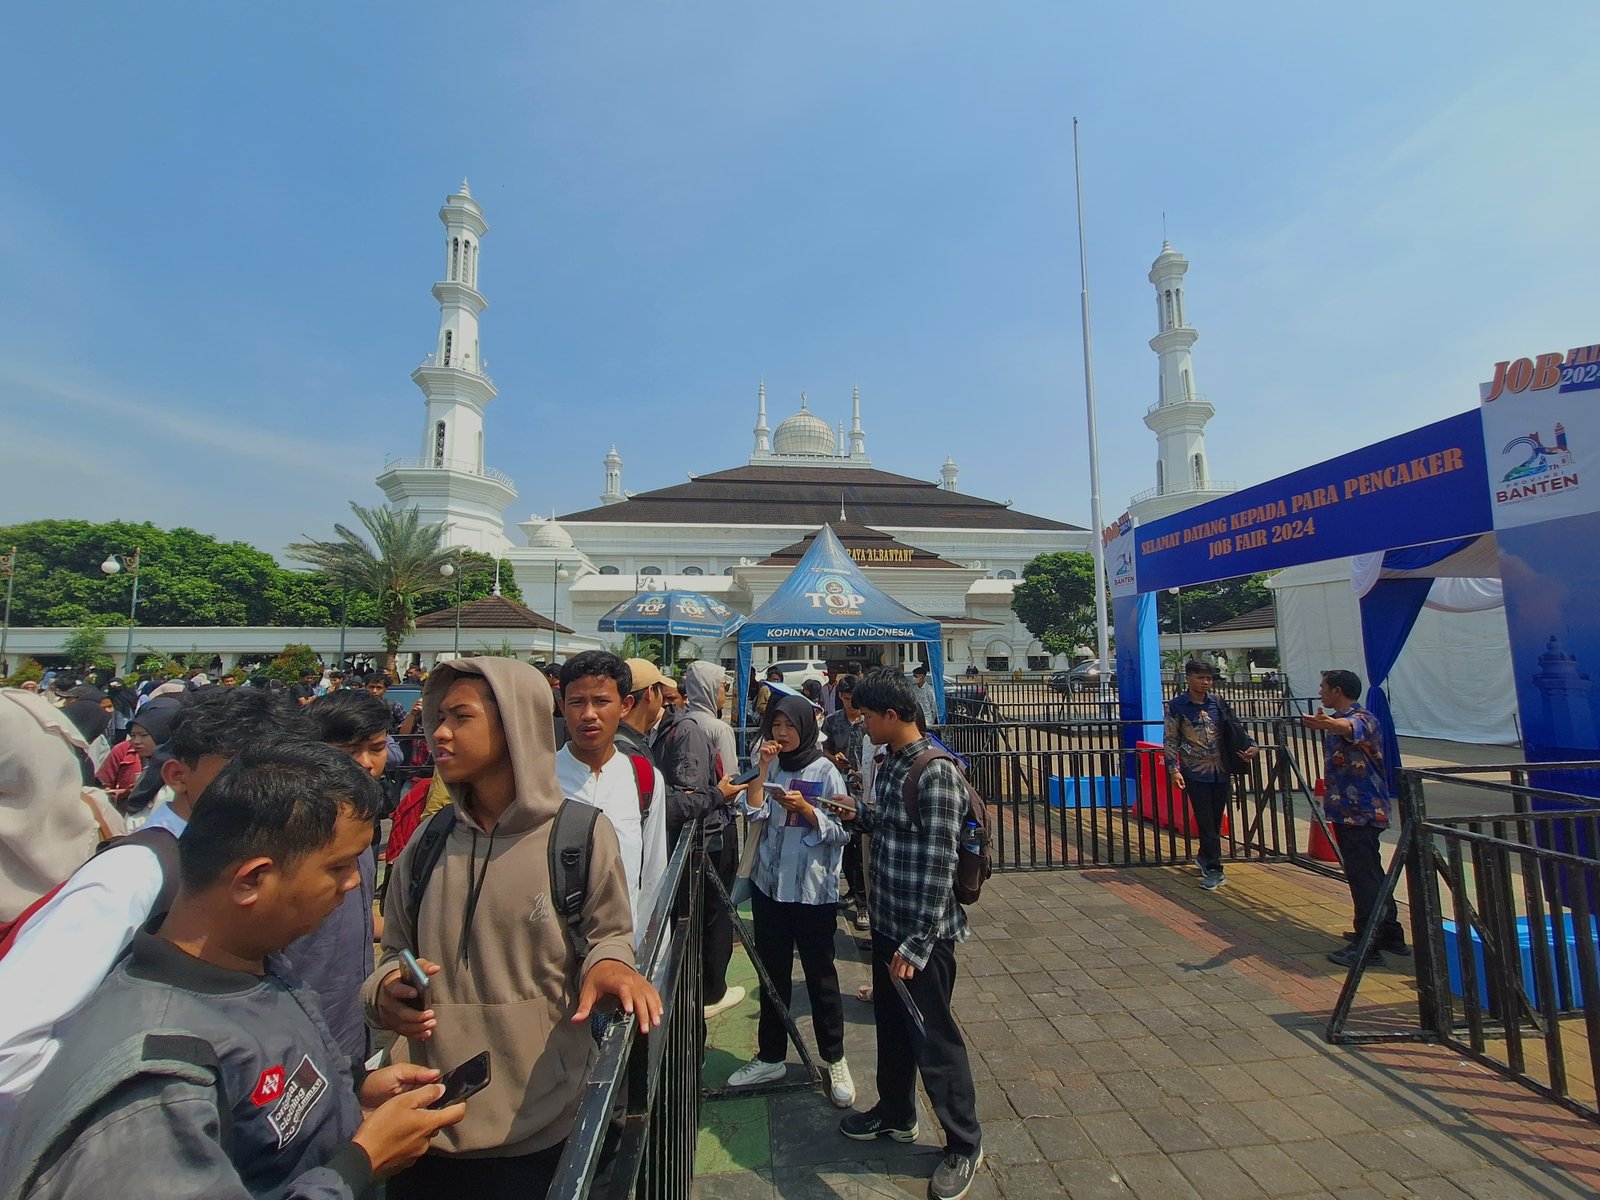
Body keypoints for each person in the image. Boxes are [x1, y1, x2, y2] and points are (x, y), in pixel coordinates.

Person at [0, 739, 465, 1198]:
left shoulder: (255, 968)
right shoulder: (156, 1084)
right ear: (252, 880)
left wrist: (351, 1094)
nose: (354, 884)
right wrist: (359, 1165)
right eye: (338, 867)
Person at [364, 657, 661, 1199]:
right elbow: (394, 952)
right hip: (425, 1124)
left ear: (516, 726)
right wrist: (385, 991)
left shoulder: (577, 835)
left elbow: (608, 933)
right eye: (438, 717)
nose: (441, 733)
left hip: (541, 1121)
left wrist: (613, 964)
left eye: (461, 717)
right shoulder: (429, 841)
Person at [0, 688, 308, 1123]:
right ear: (177, 775)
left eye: (282, 781)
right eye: (238, 779)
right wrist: (142, 1117)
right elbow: (8, 1051)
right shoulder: (133, 876)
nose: (263, 799)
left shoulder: (239, 866)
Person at [842, 669, 983, 1200]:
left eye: (868, 716)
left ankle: (964, 1143)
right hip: (888, 921)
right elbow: (898, 824)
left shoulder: (936, 771)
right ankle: (896, 1112)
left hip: (922, 934)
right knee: (892, 1026)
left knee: (934, 1038)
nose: (862, 724)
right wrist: (857, 813)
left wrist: (918, 943)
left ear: (894, 716)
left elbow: (939, 861)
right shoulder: (893, 761)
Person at [726, 694, 855, 1106]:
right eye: (775, 726)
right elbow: (755, 815)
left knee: (821, 978)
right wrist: (762, 772)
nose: (780, 734)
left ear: (804, 727)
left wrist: (810, 811)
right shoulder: (771, 763)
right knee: (772, 974)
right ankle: (770, 1055)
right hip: (769, 890)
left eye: (788, 726)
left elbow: (842, 831)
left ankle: (834, 1058)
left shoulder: (826, 770)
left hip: (812, 893)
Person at [286, 690, 390, 1061]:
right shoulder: (286, 832)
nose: (365, 763)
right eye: (349, 752)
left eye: (376, 748)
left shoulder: (363, 824)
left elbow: (359, 912)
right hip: (295, 1024)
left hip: (351, 1018)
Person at [555, 652, 669, 948]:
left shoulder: (644, 779)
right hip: (550, 955)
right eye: (577, 702)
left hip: (622, 951)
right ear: (561, 706)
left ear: (625, 705)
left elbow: (653, 874)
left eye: (601, 701)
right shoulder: (540, 779)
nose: (589, 714)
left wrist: (646, 957)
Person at [1302, 669, 1410, 968]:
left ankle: (1368, 945)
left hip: (1359, 812)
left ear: (1337, 691)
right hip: (1349, 810)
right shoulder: (1348, 719)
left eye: (1323, 687)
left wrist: (1328, 723)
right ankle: (1390, 933)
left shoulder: (1363, 718)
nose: (1320, 691)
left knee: (1364, 879)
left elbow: (1347, 727)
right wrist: (1326, 724)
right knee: (1371, 874)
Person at [680, 661, 745, 1017]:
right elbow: (731, 783)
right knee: (719, 911)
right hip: (718, 825)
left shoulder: (680, 722)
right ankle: (714, 989)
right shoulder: (719, 728)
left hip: (691, 828)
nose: (725, 694)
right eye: (722, 687)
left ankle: (697, 982)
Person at [1164, 661, 1257, 891]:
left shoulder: (1218, 702)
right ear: (1188, 678)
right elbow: (1170, 739)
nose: (1205, 682)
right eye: (1200, 677)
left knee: (1215, 819)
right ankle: (1215, 869)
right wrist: (1173, 769)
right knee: (1206, 820)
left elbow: (1236, 729)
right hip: (1195, 771)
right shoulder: (1177, 706)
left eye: (1208, 678)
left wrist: (1252, 746)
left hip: (1221, 770)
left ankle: (1205, 857)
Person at [822, 676, 870, 931]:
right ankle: (853, 889)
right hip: (840, 790)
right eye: (848, 699)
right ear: (840, 697)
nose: (852, 704)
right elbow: (824, 751)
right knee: (848, 847)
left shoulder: (868, 723)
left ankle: (864, 902)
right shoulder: (832, 722)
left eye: (855, 700)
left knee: (863, 851)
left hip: (864, 794)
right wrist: (833, 758)